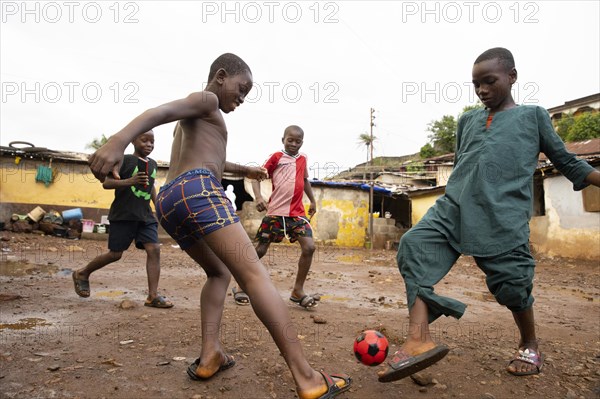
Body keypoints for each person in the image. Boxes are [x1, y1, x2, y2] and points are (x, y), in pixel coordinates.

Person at [88, 53, 351, 399]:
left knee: (218, 273)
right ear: (221, 76)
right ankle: (308, 378)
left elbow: (214, 159)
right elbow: (158, 113)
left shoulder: (202, 120)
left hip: (170, 199)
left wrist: (246, 170)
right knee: (254, 275)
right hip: (198, 191)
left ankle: (210, 353)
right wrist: (117, 141)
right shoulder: (207, 98)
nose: (241, 99)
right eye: (241, 89)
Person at [378, 47, 600, 383]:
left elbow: (567, 162)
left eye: (489, 81)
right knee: (414, 246)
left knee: (513, 287)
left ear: (512, 76)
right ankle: (418, 340)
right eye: (476, 84)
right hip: (452, 208)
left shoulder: (533, 116)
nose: (482, 90)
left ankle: (529, 342)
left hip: (501, 217)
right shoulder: (467, 120)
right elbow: (464, 163)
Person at [72, 130, 174, 309]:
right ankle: (82, 273)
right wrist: (130, 181)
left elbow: (150, 187)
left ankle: (153, 296)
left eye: (152, 142)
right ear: (134, 140)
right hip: (124, 214)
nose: (149, 145)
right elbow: (107, 183)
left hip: (145, 215)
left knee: (154, 249)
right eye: (145, 140)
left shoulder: (153, 164)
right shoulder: (123, 160)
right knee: (115, 254)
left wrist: (158, 206)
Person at [231, 125, 320, 309]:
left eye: (298, 141)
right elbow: (255, 177)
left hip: (297, 215)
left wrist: (312, 200)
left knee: (309, 247)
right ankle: (240, 285)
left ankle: (298, 291)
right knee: (261, 250)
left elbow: (304, 180)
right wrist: (258, 198)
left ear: (302, 142)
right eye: (290, 140)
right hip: (276, 213)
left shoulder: (303, 158)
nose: (294, 144)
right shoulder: (276, 157)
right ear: (283, 140)